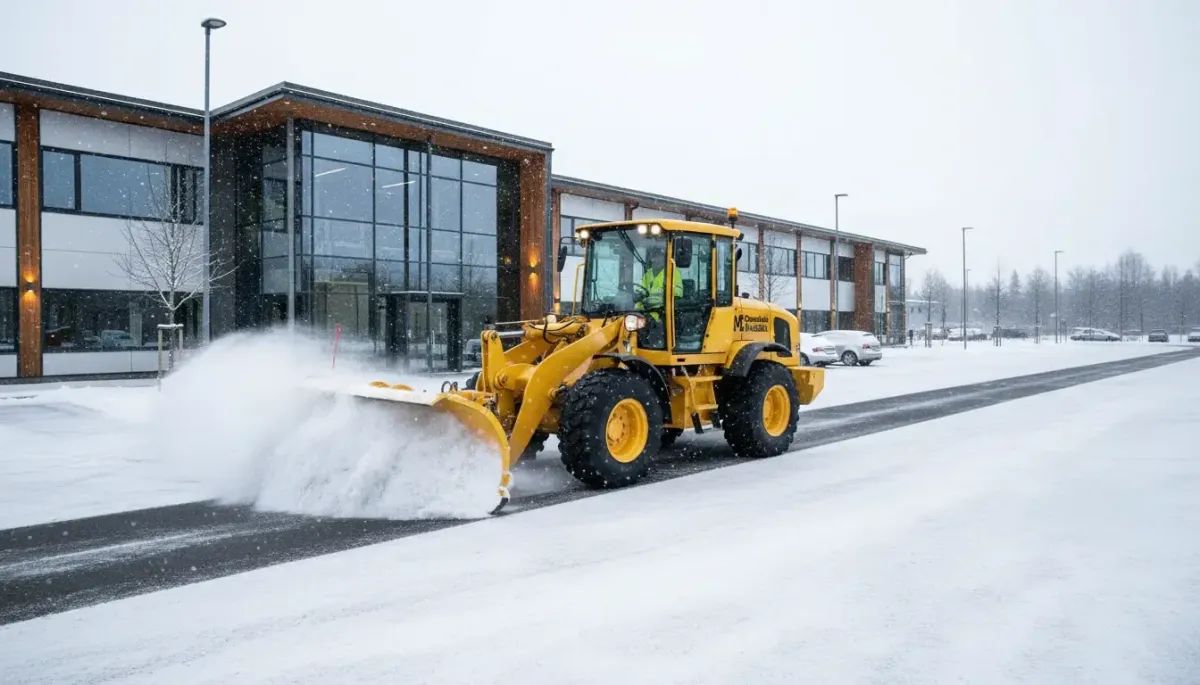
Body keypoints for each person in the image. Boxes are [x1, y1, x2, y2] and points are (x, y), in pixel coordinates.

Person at [636, 244, 681, 349]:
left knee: (652, 329)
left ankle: (653, 348)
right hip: (646, 312)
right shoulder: (648, 274)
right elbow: (640, 290)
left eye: (658, 257)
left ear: (664, 258)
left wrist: (655, 299)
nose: (655, 260)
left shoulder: (672, 272)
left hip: (664, 312)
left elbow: (677, 293)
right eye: (654, 257)